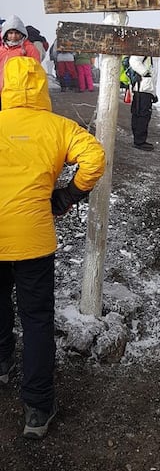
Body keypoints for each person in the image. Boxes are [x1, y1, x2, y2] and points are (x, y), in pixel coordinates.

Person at [0, 57, 105, 439]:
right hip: (33, 238)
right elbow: (95, 157)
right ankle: (38, 408)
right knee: (37, 319)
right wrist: (68, 195)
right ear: (42, 85)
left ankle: (0, 363)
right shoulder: (59, 127)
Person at [0, 16, 41, 101]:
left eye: (17, 33)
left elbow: (36, 71)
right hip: (2, 90)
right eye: (10, 33)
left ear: (22, 33)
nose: (14, 36)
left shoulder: (29, 49)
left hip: (18, 93)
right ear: (5, 34)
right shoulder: (1, 50)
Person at [128, 55, 158, 151]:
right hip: (143, 88)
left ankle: (138, 139)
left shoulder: (150, 54)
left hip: (143, 88)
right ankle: (139, 141)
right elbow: (133, 60)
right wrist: (145, 73)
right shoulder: (145, 52)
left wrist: (153, 93)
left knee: (138, 114)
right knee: (143, 115)